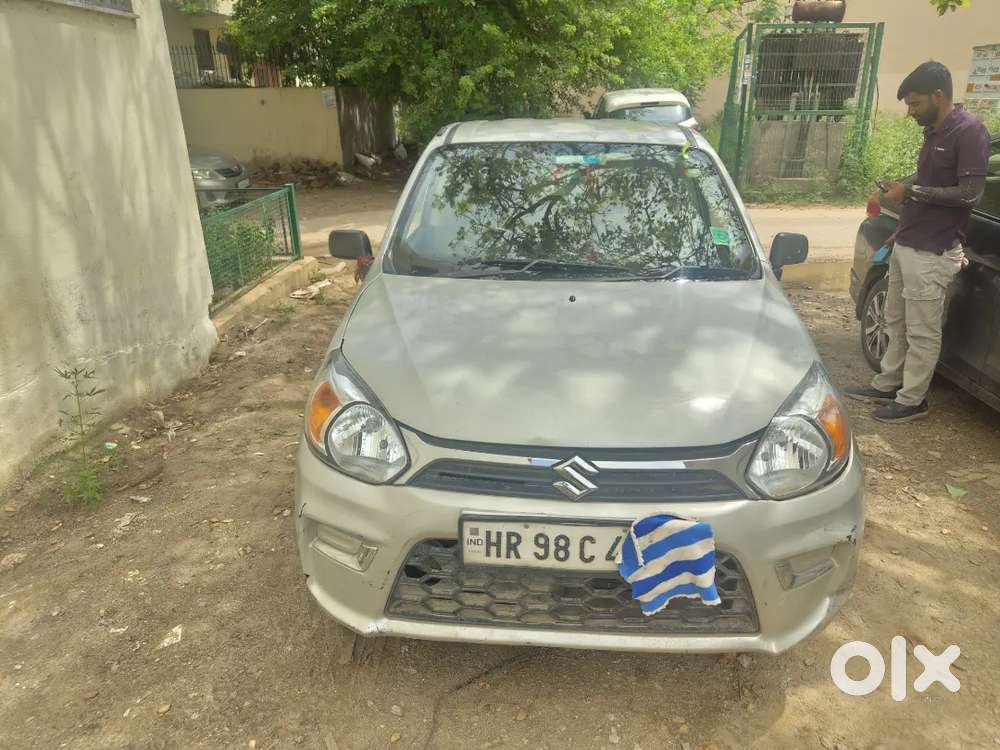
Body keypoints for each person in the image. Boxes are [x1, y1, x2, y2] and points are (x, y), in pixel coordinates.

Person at [845, 62, 991, 423]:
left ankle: (913, 400)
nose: (910, 112)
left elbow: (970, 194)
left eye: (915, 103)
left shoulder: (970, 132)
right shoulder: (934, 131)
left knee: (923, 330)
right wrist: (902, 220)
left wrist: (910, 191)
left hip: (933, 250)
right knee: (895, 319)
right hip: (909, 242)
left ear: (938, 96)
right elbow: (929, 186)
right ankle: (888, 383)